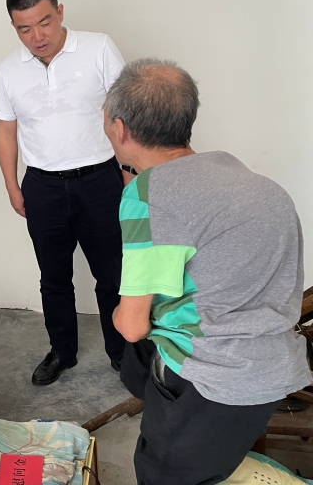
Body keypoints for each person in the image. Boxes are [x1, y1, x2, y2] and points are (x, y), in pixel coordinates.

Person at [105, 58, 310, 485]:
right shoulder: (252, 180)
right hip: (273, 369)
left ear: (120, 129)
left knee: (163, 474)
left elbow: (132, 326)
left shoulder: (146, 196)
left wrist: (119, 314)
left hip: (209, 381)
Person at [0, 0, 127, 386]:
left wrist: (129, 173)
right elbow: (5, 131)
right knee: (53, 278)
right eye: (24, 28)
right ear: (14, 27)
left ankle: (122, 353)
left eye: (45, 22)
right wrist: (12, 185)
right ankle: (62, 351)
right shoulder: (8, 70)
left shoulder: (99, 48)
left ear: (60, 12)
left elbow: (126, 115)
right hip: (43, 186)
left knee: (113, 274)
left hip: (100, 180)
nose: (37, 36)